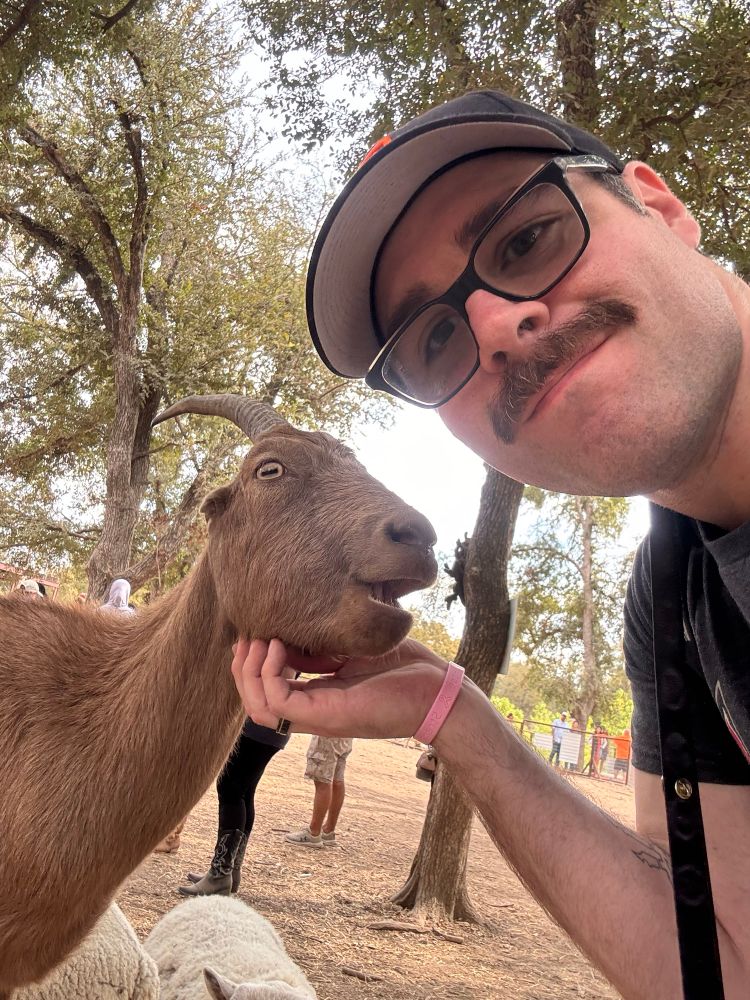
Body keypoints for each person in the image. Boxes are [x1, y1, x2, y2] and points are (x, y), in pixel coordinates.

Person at [231, 89, 750, 998]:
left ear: (660, 206)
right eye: (434, 343)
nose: (497, 326)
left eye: (525, 241)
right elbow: (724, 965)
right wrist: (457, 719)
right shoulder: (674, 606)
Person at [177, 717, 290, 895]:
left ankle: (220, 875)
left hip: (259, 724)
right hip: (274, 728)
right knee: (244, 791)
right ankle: (229, 871)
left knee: (230, 788)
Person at [284, 736, 353, 848]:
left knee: (323, 780)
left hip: (328, 732)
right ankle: (328, 831)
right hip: (346, 732)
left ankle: (314, 832)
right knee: (337, 779)